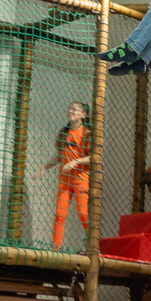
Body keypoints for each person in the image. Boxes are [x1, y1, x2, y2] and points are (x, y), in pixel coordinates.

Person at [36, 101, 91, 250]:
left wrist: (75, 162)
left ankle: (94, 247)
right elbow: (60, 156)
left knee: (83, 214)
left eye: (75, 109)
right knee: (59, 215)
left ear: (83, 115)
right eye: (70, 109)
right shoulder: (64, 132)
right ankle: (56, 249)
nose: (71, 111)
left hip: (81, 179)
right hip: (64, 181)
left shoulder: (87, 133)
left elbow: (94, 157)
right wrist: (44, 168)